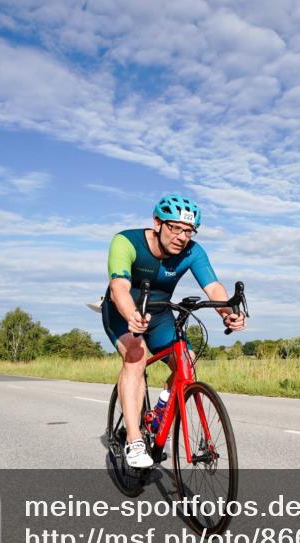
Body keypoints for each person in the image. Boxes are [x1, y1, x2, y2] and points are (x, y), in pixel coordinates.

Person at [102, 194, 245, 468]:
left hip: (160, 313)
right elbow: (119, 286)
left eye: (188, 231)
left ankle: (159, 412)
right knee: (136, 356)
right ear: (157, 223)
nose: (182, 236)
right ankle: (134, 440)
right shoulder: (126, 242)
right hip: (123, 311)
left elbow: (213, 287)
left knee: (186, 360)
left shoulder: (193, 251)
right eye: (175, 228)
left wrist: (229, 313)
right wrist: (131, 314)